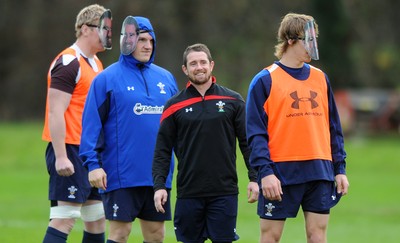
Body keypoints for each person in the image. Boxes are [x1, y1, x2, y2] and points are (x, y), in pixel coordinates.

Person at [245, 13, 350, 243]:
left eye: (315, 39)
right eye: (308, 39)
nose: (313, 45)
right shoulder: (264, 80)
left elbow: (333, 127)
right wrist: (266, 173)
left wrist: (339, 168)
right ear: (291, 40)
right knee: (270, 237)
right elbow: (256, 134)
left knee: (317, 237)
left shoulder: (321, 78)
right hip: (281, 172)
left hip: (319, 170)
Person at [79, 16, 178, 243]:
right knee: (120, 234)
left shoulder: (166, 78)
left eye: (151, 40)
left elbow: (177, 127)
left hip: (158, 176)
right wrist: (93, 165)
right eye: (141, 39)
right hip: (121, 175)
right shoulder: (106, 79)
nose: (147, 45)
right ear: (127, 40)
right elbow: (90, 126)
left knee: (156, 235)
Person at [153, 43, 259, 243]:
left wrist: (254, 178)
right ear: (185, 69)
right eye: (193, 63)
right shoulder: (173, 106)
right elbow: (162, 150)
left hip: (224, 192)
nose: (199, 67)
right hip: (188, 193)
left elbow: (247, 143)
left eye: (203, 62)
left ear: (211, 65)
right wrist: (159, 186)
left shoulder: (233, 100)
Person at [41, 4, 112, 243]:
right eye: (103, 28)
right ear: (85, 29)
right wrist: (61, 156)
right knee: (66, 217)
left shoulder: (96, 64)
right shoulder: (68, 62)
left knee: (96, 218)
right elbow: (55, 111)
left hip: (90, 152)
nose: (107, 35)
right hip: (70, 149)